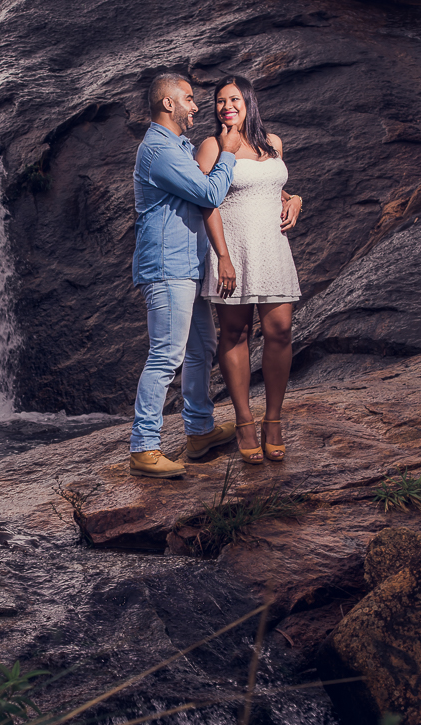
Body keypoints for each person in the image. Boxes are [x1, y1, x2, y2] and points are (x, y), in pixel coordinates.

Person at [128, 73, 244, 478]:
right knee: (166, 356)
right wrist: (227, 153)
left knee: (201, 348)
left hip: (188, 267)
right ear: (168, 104)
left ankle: (199, 430)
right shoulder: (159, 150)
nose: (196, 106)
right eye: (189, 99)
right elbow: (210, 193)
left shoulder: (178, 147)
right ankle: (143, 448)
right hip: (167, 268)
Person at [194, 75, 303, 464]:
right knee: (235, 334)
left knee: (280, 331)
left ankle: (273, 420)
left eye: (234, 99)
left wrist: (295, 198)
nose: (227, 106)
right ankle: (244, 422)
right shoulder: (211, 146)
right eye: (220, 101)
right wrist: (222, 257)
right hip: (233, 251)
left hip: (273, 249)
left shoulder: (272, 143)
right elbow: (206, 201)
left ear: (249, 102)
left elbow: (270, 186)